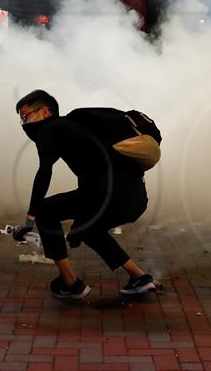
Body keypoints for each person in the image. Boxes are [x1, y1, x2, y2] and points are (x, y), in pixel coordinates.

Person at [13, 89, 156, 299]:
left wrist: (30, 218)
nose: (24, 123)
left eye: (25, 116)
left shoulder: (49, 129)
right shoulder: (76, 126)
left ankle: (70, 283)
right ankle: (140, 278)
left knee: (45, 211)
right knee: (87, 229)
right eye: (21, 119)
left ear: (44, 112)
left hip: (106, 195)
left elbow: (44, 172)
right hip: (134, 197)